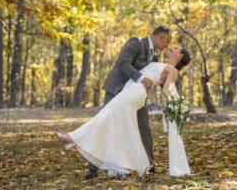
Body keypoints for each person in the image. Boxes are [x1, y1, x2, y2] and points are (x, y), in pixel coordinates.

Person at [54, 47, 190, 178]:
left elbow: (168, 89)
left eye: (177, 48)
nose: (172, 47)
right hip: (129, 89)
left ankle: (73, 137)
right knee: (119, 125)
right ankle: (125, 165)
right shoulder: (162, 64)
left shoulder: (173, 71)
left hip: (135, 93)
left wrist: (173, 106)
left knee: (107, 114)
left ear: (180, 56)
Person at [88, 25, 172, 179]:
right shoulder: (136, 43)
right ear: (160, 37)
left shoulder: (154, 55)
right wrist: (140, 79)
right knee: (104, 124)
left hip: (135, 96)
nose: (167, 45)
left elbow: (152, 74)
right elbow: (123, 63)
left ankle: (150, 164)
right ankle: (92, 168)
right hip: (117, 90)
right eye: (167, 41)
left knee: (144, 127)